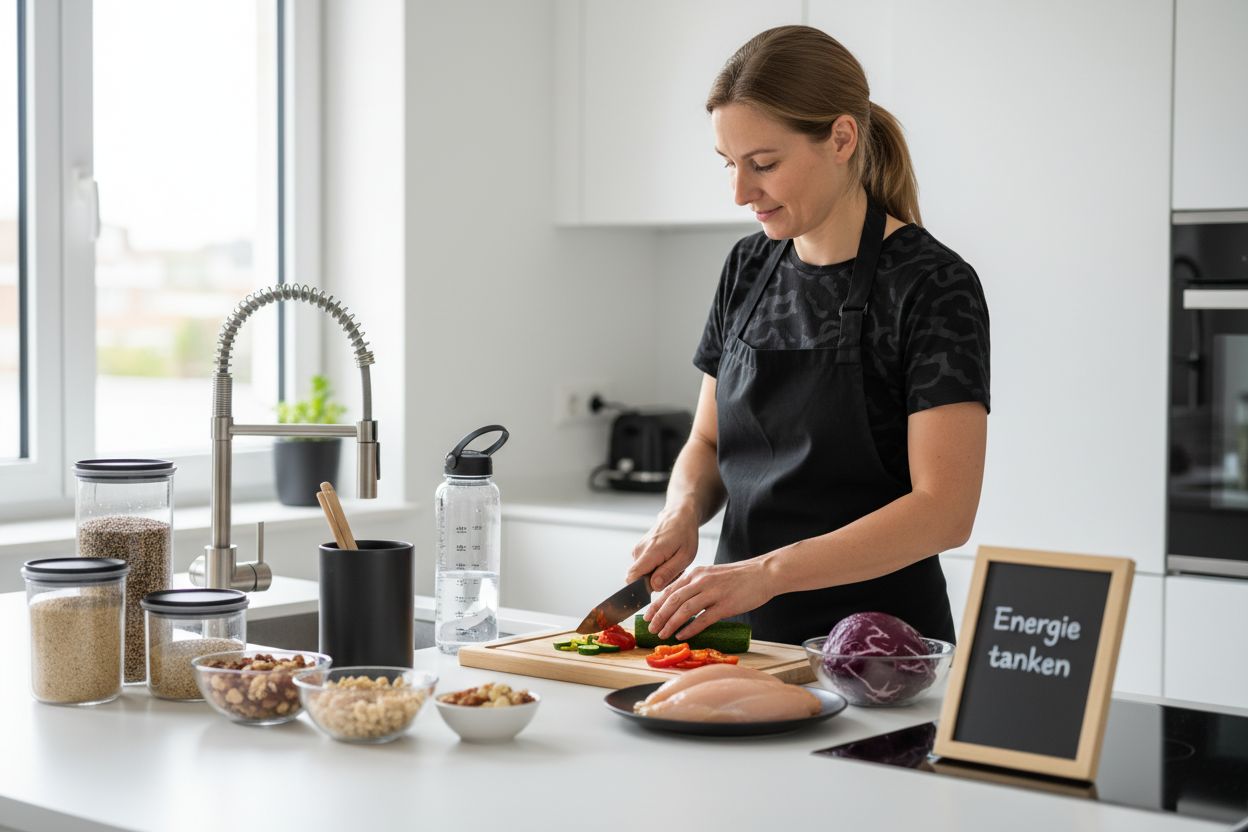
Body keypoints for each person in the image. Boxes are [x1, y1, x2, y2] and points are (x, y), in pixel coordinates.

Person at [629, 25, 990, 646]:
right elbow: (708, 439)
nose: (741, 192)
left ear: (842, 138)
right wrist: (681, 513)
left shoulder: (934, 284)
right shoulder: (747, 267)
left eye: (764, 164)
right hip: (737, 643)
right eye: (730, 165)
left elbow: (944, 511)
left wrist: (767, 573)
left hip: (881, 655)